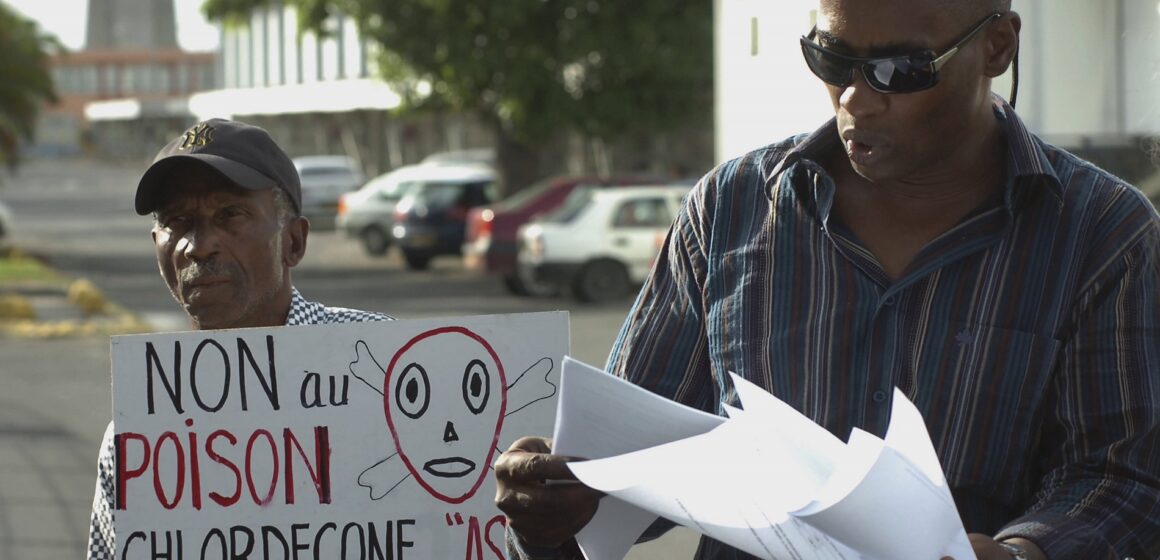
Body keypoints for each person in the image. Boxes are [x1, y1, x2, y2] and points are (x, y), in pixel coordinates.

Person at [494, 0, 1160, 559]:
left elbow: (1119, 474)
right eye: (830, 58)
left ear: (996, 47)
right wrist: (567, 495)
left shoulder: (1103, 233)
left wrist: (1024, 552)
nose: (855, 98)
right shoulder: (730, 207)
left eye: (899, 69)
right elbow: (639, 459)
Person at [86, 118, 392, 560]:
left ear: (294, 241)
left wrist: (529, 537)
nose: (198, 245)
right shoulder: (137, 436)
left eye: (230, 214)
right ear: (156, 244)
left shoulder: (381, 367)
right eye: (177, 221)